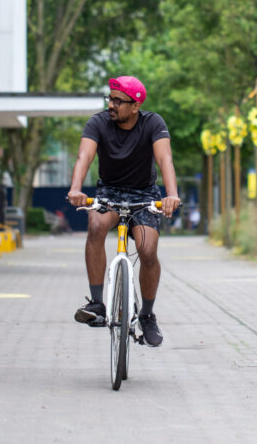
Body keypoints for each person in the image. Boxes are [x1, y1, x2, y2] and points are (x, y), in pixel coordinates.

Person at [67, 76, 180, 347]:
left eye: (118, 101)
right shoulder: (98, 123)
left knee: (147, 250)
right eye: (110, 98)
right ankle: (97, 304)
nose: (111, 105)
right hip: (109, 191)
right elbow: (85, 156)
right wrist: (76, 189)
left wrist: (171, 195)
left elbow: (164, 158)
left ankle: (147, 314)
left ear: (135, 106)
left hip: (144, 193)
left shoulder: (153, 123)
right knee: (95, 227)